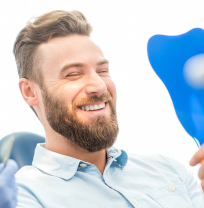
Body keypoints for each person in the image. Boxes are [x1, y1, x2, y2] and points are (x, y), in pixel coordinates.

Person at [13, 10, 204, 207]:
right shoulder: (20, 195)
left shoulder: (170, 170)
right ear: (29, 91)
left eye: (102, 71)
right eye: (73, 74)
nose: (100, 86)